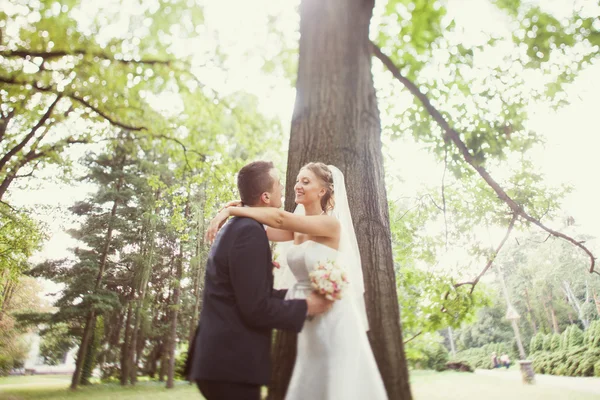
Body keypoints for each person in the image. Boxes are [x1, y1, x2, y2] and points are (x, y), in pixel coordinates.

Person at [207, 162, 388, 400]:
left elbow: (279, 219)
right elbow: (260, 227)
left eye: (306, 181)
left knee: (339, 383)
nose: (298, 186)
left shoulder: (329, 224)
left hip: (335, 315)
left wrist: (231, 210)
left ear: (322, 191)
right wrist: (239, 209)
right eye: (297, 181)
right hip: (309, 317)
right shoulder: (296, 227)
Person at [185, 161, 333, 400]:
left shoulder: (241, 226)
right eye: (278, 184)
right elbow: (255, 308)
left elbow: (253, 294)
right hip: (230, 365)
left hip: (223, 363)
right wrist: (307, 306)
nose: (287, 188)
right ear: (265, 196)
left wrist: (295, 294)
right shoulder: (248, 232)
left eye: (305, 181)